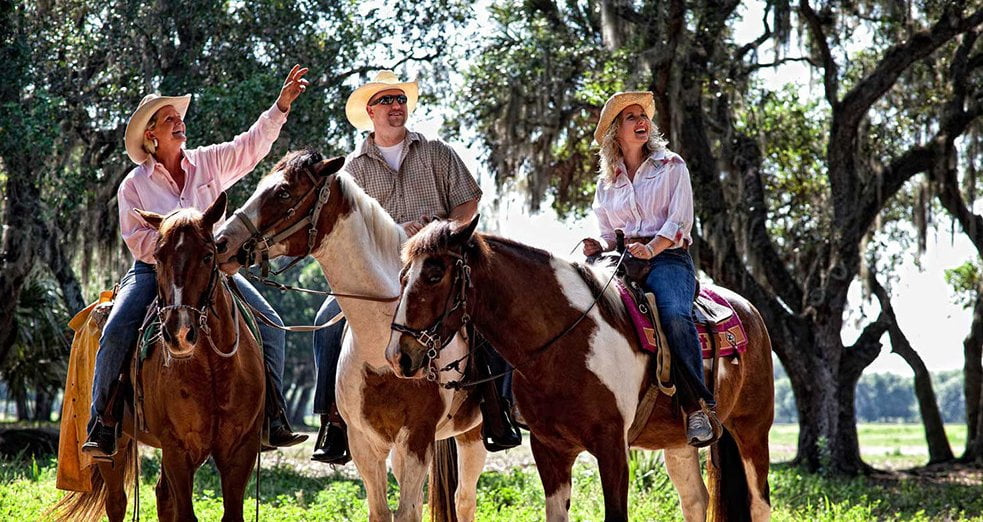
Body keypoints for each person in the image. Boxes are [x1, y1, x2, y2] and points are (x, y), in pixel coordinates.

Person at [82, 65, 312, 458]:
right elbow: (138, 241)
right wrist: (179, 244)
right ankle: (102, 422)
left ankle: (273, 417)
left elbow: (251, 146)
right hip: (156, 273)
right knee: (118, 328)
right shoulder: (133, 185)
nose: (179, 123)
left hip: (212, 274)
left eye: (180, 117)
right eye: (169, 118)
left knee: (272, 323)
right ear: (151, 134)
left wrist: (280, 107)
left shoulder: (208, 162)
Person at [310, 70, 521, 463]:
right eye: (387, 101)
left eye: (401, 100)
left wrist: (438, 234)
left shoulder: (437, 152)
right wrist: (394, 232)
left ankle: (497, 409)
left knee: (489, 314)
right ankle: (333, 422)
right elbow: (350, 231)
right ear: (370, 111)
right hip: (379, 269)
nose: (396, 107)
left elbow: (467, 203)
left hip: (437, 269)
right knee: (326, 323)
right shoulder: (352, 170)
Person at [582, 91, 718, 447]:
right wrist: (602, 245)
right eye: (631, 117)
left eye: (643, 116)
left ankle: (696, 407)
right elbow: (609, 231)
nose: (642, 122)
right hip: (622, 260)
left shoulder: (672, 165)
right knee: (584, 308)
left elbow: (679, 221)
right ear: (615, 131)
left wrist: (652, 247)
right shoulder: (607, 180)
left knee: (674, 314)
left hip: (667, 257)